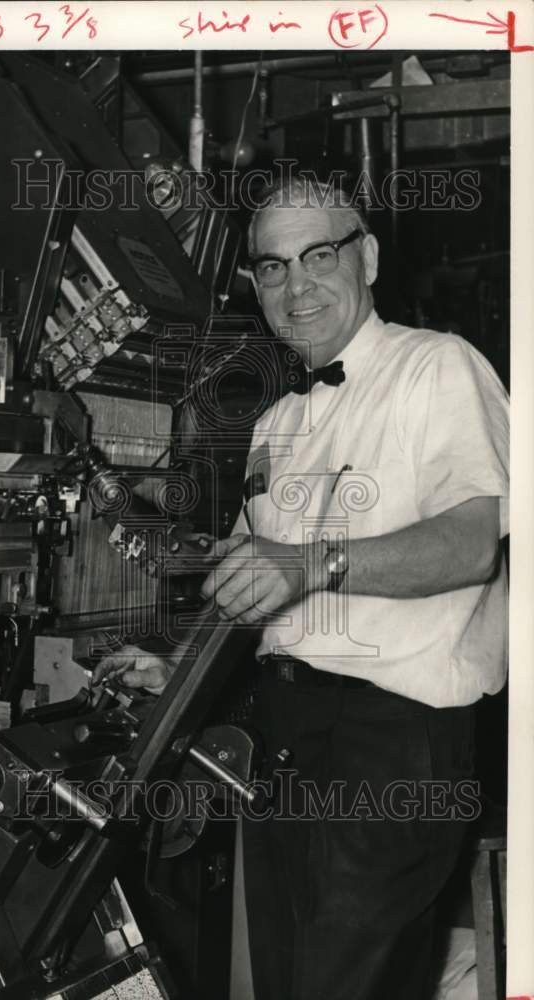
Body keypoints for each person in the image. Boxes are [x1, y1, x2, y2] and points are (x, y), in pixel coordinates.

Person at [93, 175, 509, 1000]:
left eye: (319, 255)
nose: (297, 285)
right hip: (281, 729)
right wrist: (179, 668)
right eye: (273, 267)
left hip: (392, 744)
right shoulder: (275, 423)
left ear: (369, 258)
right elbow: (255, 591)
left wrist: (312, 562)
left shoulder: (438, 367)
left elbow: (471, 546)